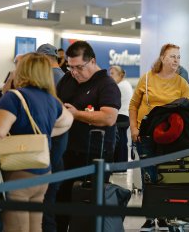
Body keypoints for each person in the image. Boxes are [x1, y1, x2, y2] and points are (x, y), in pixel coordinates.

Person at [0, 53, 73, 232]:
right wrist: (46, 133)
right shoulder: (51, 99)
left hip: (19, 171)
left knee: (16, 227)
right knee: (35, 226)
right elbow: (68, 120)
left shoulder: (14, 97)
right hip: (43, 171)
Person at [55, 41, 121, 232]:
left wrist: (77, 114)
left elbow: (109, 117)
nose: (74, 72)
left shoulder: (107, 85)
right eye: (70, 66)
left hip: (94, 157)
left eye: (79, 67)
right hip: (66, 153)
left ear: (92, 61)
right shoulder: (67, 80)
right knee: (60, 206)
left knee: (86, 213)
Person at [129, 43, 189, 232]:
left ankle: (164, 216)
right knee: (148, 176)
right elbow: (133, 106)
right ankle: (149, 217)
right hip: (146, 136)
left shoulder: (182, 83)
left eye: (179, 57)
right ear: (162, 58)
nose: (176, 60)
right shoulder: (147, 79)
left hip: (171, 138)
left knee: (166, 177)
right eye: (172, 56)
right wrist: (133, 128)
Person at [36, 43, 69, 232]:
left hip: (46, 152)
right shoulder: (63, 78)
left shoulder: (51, 79)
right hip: (57, 150)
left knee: (44, 207)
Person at [109, 65, 133, 171]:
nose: (110, 76)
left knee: (120, 141)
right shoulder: (125, 84)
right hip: (125, 115)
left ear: (120, 75)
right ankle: (121, 165)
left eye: (112, 73)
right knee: (122, 140)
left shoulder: (120, 86)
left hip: (121, 116)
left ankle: (120, 166)